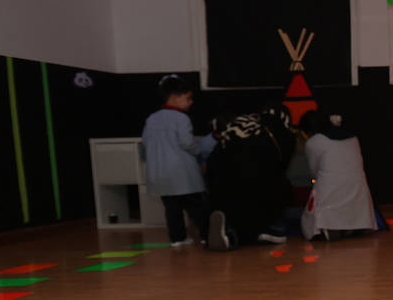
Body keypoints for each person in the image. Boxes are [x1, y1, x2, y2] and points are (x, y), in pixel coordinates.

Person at [205, 105, 295, 250]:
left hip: (222, 179)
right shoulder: (279, 132)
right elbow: (279, 167)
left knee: (233, 206)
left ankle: (226, 231)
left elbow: (212, 166)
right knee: (276, 192)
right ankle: (265, 230)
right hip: (257, 182)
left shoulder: (240, 124)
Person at [141, 75, 215, 247]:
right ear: (175, 97)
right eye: (188, 98)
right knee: (197, 207)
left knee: (171, 208)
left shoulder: (152, 118)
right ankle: (206, 236)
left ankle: (177, 238)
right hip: (181, 173)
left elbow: (145, 140)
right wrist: (202, 148)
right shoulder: (181, 118)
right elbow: (188, 144)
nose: (191, 102)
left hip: (159, 174)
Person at [298, 109, 378, 241]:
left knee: (309, 219)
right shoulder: (353, 138)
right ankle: (352, 226)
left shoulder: (314, 142)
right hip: (358, 193)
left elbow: (313, 172)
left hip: (330, 192)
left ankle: (329, 227)